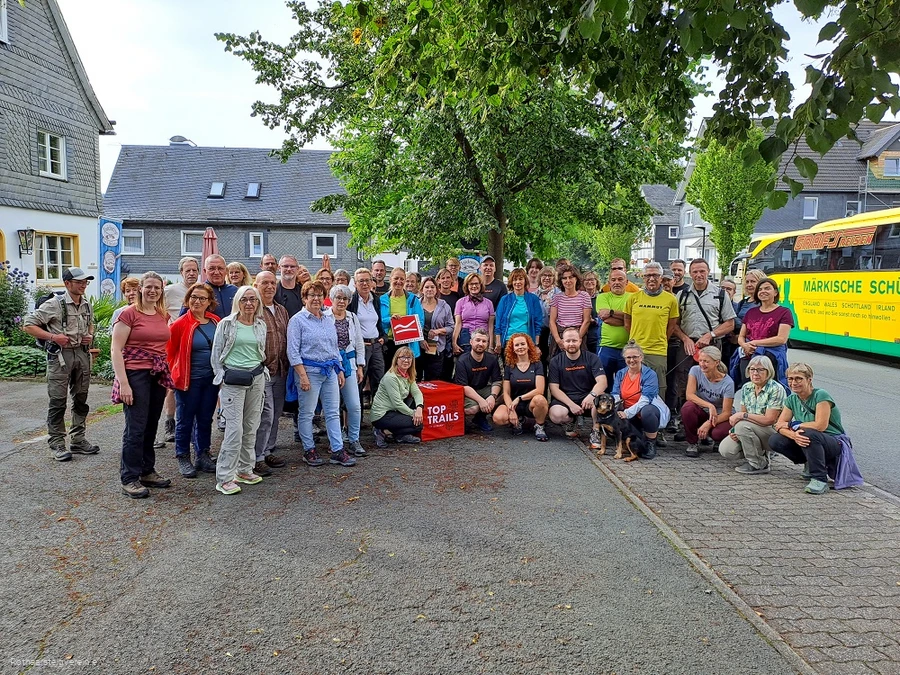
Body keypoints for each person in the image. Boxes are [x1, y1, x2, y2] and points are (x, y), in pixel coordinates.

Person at [22, 266, 99, 462]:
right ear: (67, 283)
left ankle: (78, 439)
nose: (83, 285)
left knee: (81, 398)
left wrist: (89, 335)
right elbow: (28, 324)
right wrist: (53, 336)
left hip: (81, 355)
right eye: (79, 282)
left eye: (85, 282)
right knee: (57, 401)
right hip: (60, 357)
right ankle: (56, 443)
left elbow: (91, 324)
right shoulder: (54, 304)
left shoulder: (86, 304)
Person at [110, 272, 173, 498]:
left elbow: (163, 346)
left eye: (157, 287)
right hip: (135, 374)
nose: (152, 291)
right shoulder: (128, 314)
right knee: (135, 427)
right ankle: (129, 477)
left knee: (150, 424)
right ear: (140, 289)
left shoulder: (161, 314)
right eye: (148, 287)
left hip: (156, 374)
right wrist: (123, 383)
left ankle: (147, 470)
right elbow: (116, 350)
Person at [287, 279, 357, 468]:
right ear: (304, 298)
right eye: (312, 295)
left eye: (320, 295)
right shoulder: (297, 321)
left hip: (330, 371)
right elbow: (293, 352)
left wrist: (340, 369)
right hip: (309, 371)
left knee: (333, 412)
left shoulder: (328, 319)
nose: (317, 298)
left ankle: (337, 450)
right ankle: (309, 449)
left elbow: (334, 347)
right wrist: (302, 376)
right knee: (307, 413)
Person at [210, 286, 269, 494]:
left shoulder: (260, 324)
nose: (249, 303)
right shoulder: (226, 324)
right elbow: (216, 353)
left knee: (251, 425)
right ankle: (225, 477)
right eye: (244, 299)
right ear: (237, 301)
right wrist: (221, 377)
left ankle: (244, 469)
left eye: (253, 299)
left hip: (256, 377)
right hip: (233, 379)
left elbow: (261, 352)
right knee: (234, 430)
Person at [166, 282, 221, 477]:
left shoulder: (216, 322)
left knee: (206, 418)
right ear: (188, 300)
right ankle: (183, 456)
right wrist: (174, 374)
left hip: (211, 379)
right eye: (193, 297)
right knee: (185, 419)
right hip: (188, 380)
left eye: (202, 298)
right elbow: (169, 352)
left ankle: (202, 454)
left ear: (209, 302)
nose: (197, 301)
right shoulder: (180, 324)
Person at [671, 258, 736, 422]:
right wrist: (685, 339)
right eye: (695, 271)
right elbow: (674, 324)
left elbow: (729, 324)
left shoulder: (720, 294)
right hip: (687, 346)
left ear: (708, 272)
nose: (699, 275)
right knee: (683, 381)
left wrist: (710, 335)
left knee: (710, 380)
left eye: (702, 271)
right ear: (690, 273)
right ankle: (685, 420)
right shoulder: (682, 294)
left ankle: (711, 417)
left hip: (711, 346)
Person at [771, 363, 845, 495]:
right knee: (775, 440)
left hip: (834, 441)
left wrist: (794, 425)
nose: (794, 382)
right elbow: (779, 425)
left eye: (799, 378)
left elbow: (820, 425)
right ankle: (809, 463)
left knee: (807, 433)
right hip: (810, 437)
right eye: (790, 379)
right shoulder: (792, 399)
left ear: (809, 379)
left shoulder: (820, 395)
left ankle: (819, 479)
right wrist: (793, 435)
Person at [624, 262, 680, 408]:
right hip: (636, 350)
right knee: (634, 387)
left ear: (661, 278)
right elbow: (627, 323)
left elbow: (672, 325)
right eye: (648, 275)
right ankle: (634, 420)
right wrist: (635, 341)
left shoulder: (670, 299)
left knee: (658, 388)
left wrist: (661, 340)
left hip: (658, 351)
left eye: (655, 275)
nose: (651, 279)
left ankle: (656, 423)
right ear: (643, 277)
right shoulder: (633, 298)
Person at [251, 271, 290, 476]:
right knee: (264, 415)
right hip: (262, 371)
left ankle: (267, 450)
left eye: (272, 283)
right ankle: (256, 457)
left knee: (275, 415)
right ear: (256, 285)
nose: (269, 286)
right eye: (264, 283)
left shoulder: (281, 310)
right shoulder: (253, 310)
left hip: (281, 370)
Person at [719, 355, 785, 475]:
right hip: (751, 427)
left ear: (768, 371)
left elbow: (769, 419)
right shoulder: (747, 387)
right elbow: (744, 413)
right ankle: (761, 453)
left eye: (760, 370)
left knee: (742, 426)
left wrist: (742, 418)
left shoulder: (776, 388)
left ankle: (758, 464)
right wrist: (734, 430)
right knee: (726, 450)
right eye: (752, 369)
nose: (755, 373)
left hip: (773, 431)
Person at [610, 341, 670, 460]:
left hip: (644, 410)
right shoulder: (621, 374)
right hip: (627, 411)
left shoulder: (650, 374)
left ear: (641, 357)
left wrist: (626, 413)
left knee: (647, 411)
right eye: (628, 357)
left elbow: (645, 400)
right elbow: (615, 394)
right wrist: (616, 410)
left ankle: (651, 442)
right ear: (624, 358)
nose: (632, 360)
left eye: (635, 357)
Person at [328, 284, 367, 457]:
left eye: (345, 298)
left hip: (349, 362)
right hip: (331, 364)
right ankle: (336, 441)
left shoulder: (352, 317)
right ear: (332, 299)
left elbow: (359, 342)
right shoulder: (324, 316)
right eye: (338, 297)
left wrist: (360, 365)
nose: (342, 301)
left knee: (354, 405)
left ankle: (354, 439)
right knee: (333, 406)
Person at [548, 326, 606, 441]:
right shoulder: (555, 361)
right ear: (562, 342)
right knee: (556, 415)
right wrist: (571, 405)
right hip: (567, 398)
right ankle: (571, 420)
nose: (571, 344)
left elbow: (602, 382)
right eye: (568, 341)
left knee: (602, 401)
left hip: (588, 398)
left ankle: (595, 430)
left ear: (580, 341)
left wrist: (592, 395)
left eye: (574, 340)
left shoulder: (592, 358)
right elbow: (554, 389)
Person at [732, 277, 793, 387]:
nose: (763, 291)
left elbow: (781, 339)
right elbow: (741, 336)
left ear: (775, 292)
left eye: (767, 288)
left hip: (771, 356)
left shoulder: (784, 312)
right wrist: (745, 345)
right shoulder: (751, 312)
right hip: (748, 355)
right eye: (760, 289)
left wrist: (755, 343)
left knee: (770, 390)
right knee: (748, 388)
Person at [680, 346, 735, 458]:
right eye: (700, 360)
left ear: (716, 362)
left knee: (717, 433)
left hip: (720, 416)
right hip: (703, 411)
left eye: (706, 361)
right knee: (687, 408)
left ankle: (717, 440)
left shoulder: (728, 383)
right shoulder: (695, 371)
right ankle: (692, 443)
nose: (702, 364)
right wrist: (710, 406)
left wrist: (709, 423)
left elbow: (726, 412)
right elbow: (689, 395)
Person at [493, 333, 549, 441]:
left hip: (530, 403)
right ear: (513, 349)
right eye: (517, 345)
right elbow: (506, 392)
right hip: (513, 403)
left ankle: (540, 426)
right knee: (498, 418)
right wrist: (511, 409)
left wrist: (520, 398)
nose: (520, 347)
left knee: (540, 400)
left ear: (528, 346)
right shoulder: (509, 365)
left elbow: (540, 390)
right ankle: (519, 421)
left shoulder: (537, 364)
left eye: (523, 344)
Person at [370, 346, 424, 447]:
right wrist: (413, 413)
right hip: (382, 415)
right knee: (417, 423)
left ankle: (399, 435)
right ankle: (381, 432)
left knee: (418, 425)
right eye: (402, 357)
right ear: (396, 360)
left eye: (409, 358)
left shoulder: (408, 374)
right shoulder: (391, 377)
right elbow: (397, 403)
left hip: (394, 412)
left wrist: (419, 408)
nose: (406, 360)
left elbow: (417, 393)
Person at [454, 328, 502, 433]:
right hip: (466, 392)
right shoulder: (462, 360)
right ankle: (459, 421)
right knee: (472, 409)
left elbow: (497, 380)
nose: (480, 344)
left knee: (503, 395)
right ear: (471, 342)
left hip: (483, 388)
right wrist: (481, 401)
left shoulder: (492, 359)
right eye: (478, 340)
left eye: (484, 341)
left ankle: (480, 418)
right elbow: (464, 386)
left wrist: (492, 397)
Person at [349, 267, 386, 400]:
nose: (364, 284)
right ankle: (356, 417)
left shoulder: (375, 300)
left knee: (379, 380)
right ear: (355, 283)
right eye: (361, 281)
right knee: (360, 380)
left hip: (376, 345)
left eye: (367, 280)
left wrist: (383, 337)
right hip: (360, 346)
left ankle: (378, 415)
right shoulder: (351, 301)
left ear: (372, 282)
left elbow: (379, 321)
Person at [381, 267, 427, 365]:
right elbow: (378, 321)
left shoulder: (413, 299)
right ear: (390, 279)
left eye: (402, 279)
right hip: (388, 343)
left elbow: (420, 321)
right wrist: (391, 319)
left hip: (407, 343)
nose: (399, 281)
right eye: (396, 278)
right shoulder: (382, 299)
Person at [595, 269, 633, 391]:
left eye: (620, 279)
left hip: (628, 348)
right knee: (604, 383)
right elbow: (606, 319)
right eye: (613, 280)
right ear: (608, 283)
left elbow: (636, 318)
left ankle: (624, 409)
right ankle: (604, 409)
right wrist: (628, 319)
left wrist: (611, 312)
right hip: (606, 347)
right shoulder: (602, 297)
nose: (617, 282)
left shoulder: (634, 297)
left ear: (626, 282)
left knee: (626, 384)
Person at [495, 268, 542, 354]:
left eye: (520, 279)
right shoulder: (505, 299)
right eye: (515, 279)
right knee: (509, 367)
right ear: (511, 282)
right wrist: (498, 342)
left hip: (527, 341)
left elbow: (537, 323)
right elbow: (498, 322)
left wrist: (536, 344)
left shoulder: (533, 299)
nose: (518, 282)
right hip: (509, 340)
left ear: (525, 281)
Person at [549, 264, 592, 358]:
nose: (568, 281)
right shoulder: (557, 298)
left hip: (579, 334)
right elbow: (552, 321)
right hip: (561, 336)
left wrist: (577, 339)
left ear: (576, 279)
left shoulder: (584, 296)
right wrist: (558, 340)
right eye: (564, 278)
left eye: (571, 277)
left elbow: (586, 320)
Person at [417, 277, 454, 381]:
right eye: (427, 287)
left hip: (436, 347)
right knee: (417, 378)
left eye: (432, 287)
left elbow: (451, 326)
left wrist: (438, 331)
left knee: (433, 379)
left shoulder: (444, 306)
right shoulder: (416, 305)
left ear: (437, 289)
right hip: (418, 347)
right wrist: (420, 340)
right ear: (422, 289)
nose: (429, 289)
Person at [452, 272, 495, 356]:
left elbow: (490, 326)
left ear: (480, 285)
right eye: (471, 284)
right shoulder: (460, 302)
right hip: (466, 338)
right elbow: (458, 324)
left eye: (476, 283)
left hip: (483, 338)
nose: (474, 286)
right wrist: (454, 343)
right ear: (467, 286)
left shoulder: (489, 303)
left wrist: (490, 346)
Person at [201, 255, 238, 320]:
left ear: (226, 271)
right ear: (205, 271)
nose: (216, 272)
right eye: (211, 269)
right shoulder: (199, 292)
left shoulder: (235, 291)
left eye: (220, 268)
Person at [535, 266, 558, 367]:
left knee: (554, 361)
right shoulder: (534, 295)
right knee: (541, 361)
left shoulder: (559, 294)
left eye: (550, 276)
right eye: (544, 275)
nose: (547, 278)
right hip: (539, 333)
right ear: (540, 277)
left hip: (554, 332)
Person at [581, 270, 601, 356]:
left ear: (597, 282)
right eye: (586, 280)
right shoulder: (579, 298)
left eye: (592, 279)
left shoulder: (602, 298)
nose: (589, 282)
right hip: (582, 334)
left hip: (596, 333)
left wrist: (594, 320)